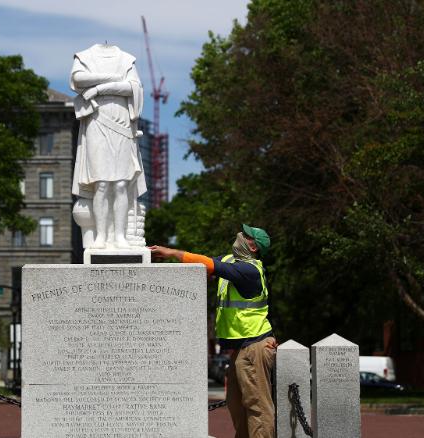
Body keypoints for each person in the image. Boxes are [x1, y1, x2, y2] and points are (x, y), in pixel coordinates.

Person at [150, 224, 277, 438]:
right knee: (238, 406)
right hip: (241, 349)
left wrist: (171, 252)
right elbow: (206, 265)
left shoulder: (250, 270)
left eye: (245, 236)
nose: (239, 236)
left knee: (258, 408)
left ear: (254, 247)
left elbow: (210, 264)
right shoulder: (229, 260)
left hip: (254, 346)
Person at [70, 43, 147, 249]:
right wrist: (114, 79)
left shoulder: (127, 59)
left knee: (121, 184)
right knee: (101, 184)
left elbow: (133, 87)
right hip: (97, 119)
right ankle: (102, 236)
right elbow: (78, 80)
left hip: (122, 122)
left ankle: (119, 236)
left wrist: (98, 88)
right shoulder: (84, 55)